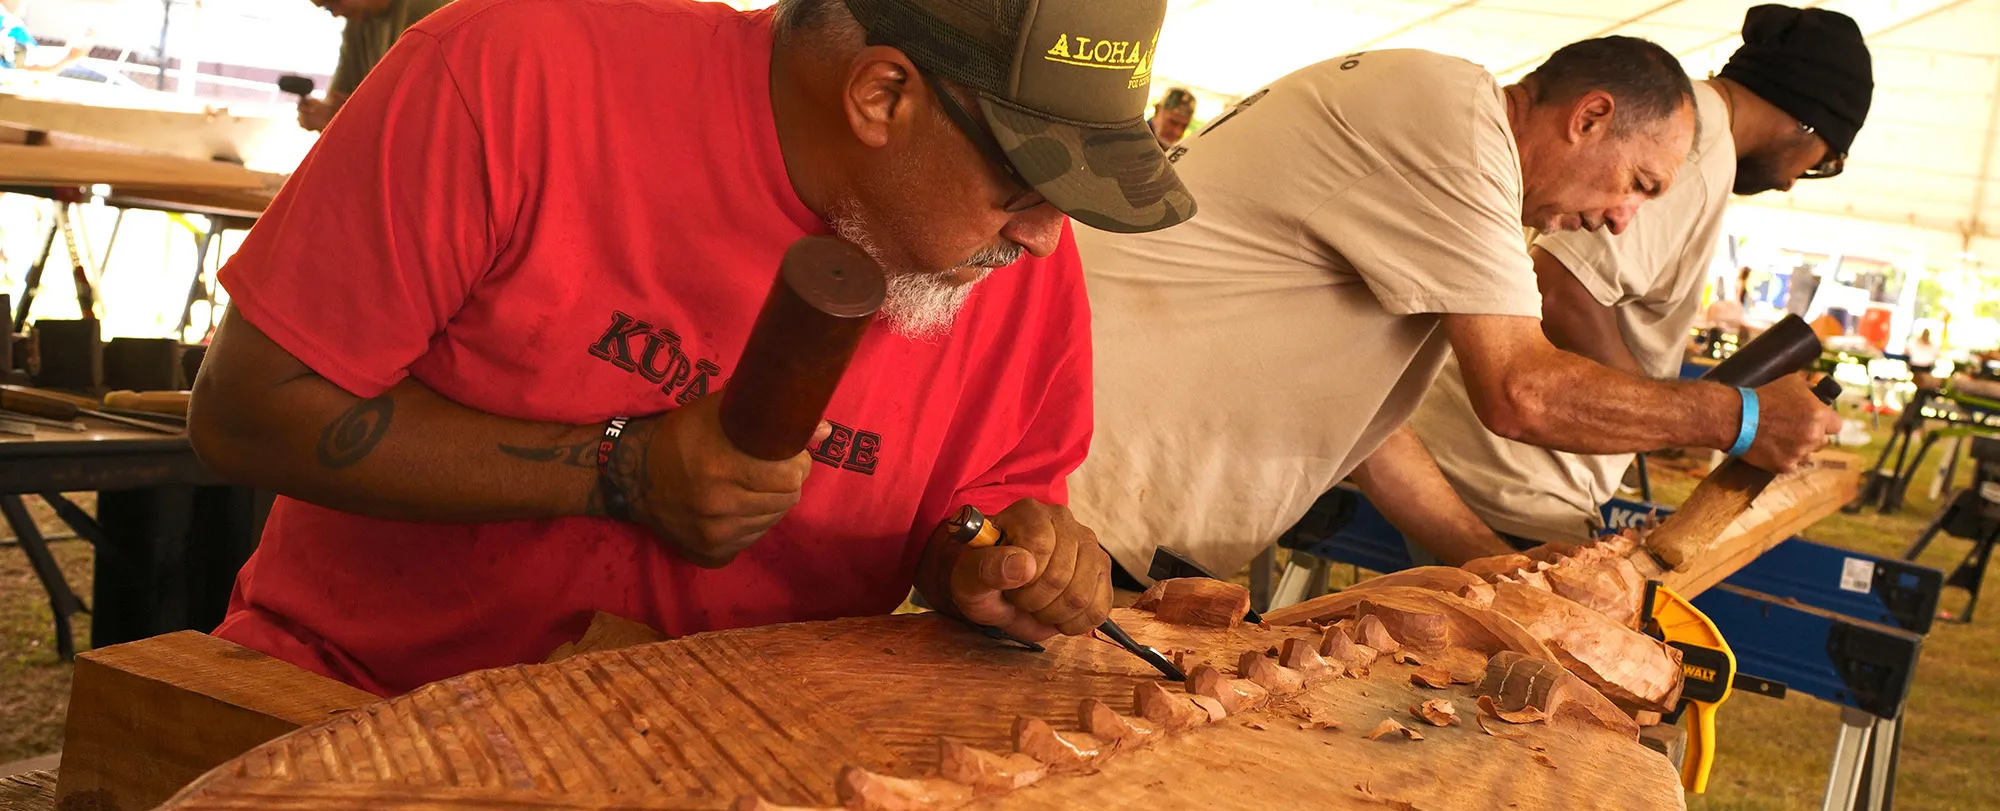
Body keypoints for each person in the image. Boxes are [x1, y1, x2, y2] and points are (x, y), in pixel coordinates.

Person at [188, 0, 1194, 695]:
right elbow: (246, 410)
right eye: (1024, 186)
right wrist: (618, 468)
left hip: (731, 773)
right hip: (351, 706)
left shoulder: (1008, 263)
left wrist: (991, 568)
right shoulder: (515, 75)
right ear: (882, 95)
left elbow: (971, 522)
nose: (1042, 239)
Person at [1070, 36, 1840, 582]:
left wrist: (1486, 559)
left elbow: (1371, 431)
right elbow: (1521, 394)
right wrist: (1737, 418)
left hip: (1106, 495)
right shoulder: (1453, 130)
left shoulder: (1454, 144)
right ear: (1591, 117)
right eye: (1637, 183)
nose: (1620, 219)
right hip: (1074, 485)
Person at [1404, 5, 1873, 550]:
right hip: (1506, 483)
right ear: (1804, 121)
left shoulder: (1680, 127)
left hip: (1477, 463)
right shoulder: (1695, 152)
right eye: (1820, 163)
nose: (1794, 183)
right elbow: (1560, 291)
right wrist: (1671, 411)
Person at [294, 0, 454, 131]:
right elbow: (339, 98)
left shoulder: (427, 8)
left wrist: (349, 118)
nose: (335, 14)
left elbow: (417, 112)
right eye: (328, 9)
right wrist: (321, 112)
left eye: (334, 3)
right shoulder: (357, 21)